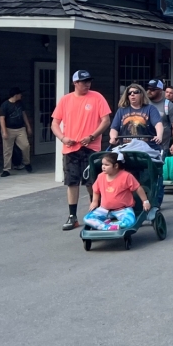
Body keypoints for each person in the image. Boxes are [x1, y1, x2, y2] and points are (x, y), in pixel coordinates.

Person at [51, 70, 112, 231]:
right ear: (75, 83)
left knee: (92, 182)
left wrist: (92, 136)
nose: (87, 84)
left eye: (89, 81)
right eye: (84, 81)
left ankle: (96, 213)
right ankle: (73, 217)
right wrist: (63, 138)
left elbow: (105, 120)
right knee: (72, 182)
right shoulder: (65, 100)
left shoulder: (97, 97)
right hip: (70, 148)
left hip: (90, 148)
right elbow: (54, 124)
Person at [83, 151, 150, 230]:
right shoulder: (101, 176)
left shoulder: (126, 176)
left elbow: (138, 188)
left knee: (130, 222)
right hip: (104, 209)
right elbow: (96, 190)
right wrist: (94, 201)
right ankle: (110, 227)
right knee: (87, 219)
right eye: (102, 164)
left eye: (106, 165)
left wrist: (145, 201)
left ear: (116, 166)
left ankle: (107, 225)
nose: (103, 167)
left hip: (123, 209)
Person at [0, 86, 33, 177]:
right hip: (9, 129)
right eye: (20, 94)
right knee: (7, 150)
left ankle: (27, 163)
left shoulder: (20, 103)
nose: (21, 95)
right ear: (15, 95)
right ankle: (6, 169)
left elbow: (24, 115)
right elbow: (2, 119)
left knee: (25, 146)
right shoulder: (5, 105)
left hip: (20, 129)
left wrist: (28, 126)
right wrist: (4, 131)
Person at [146, 79, 173, 157]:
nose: (149, 91)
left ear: (160, 90)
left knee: (159, 167)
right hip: (144, 145)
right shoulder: (144, 102)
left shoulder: (168, 105)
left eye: (153, 89)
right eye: (148, 88)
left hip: (161, 146)